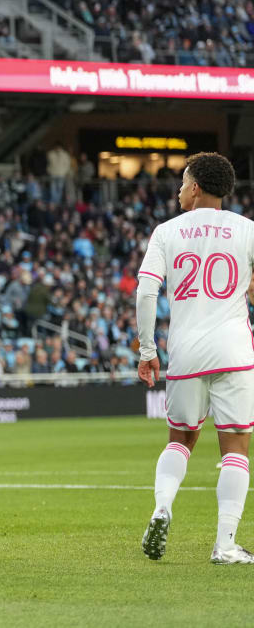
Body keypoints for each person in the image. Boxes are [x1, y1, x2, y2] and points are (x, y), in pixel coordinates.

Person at [137, 152, 254, 564]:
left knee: (181, 439)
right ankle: (224, 544)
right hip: (234, 350)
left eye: (183, 182)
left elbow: (146, 291)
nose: (179, 189)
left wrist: (147, 350)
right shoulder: (248, 230)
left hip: (185, 351)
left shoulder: (166, 232)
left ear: (197, 187)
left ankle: (162, 507)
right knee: (236, 446)